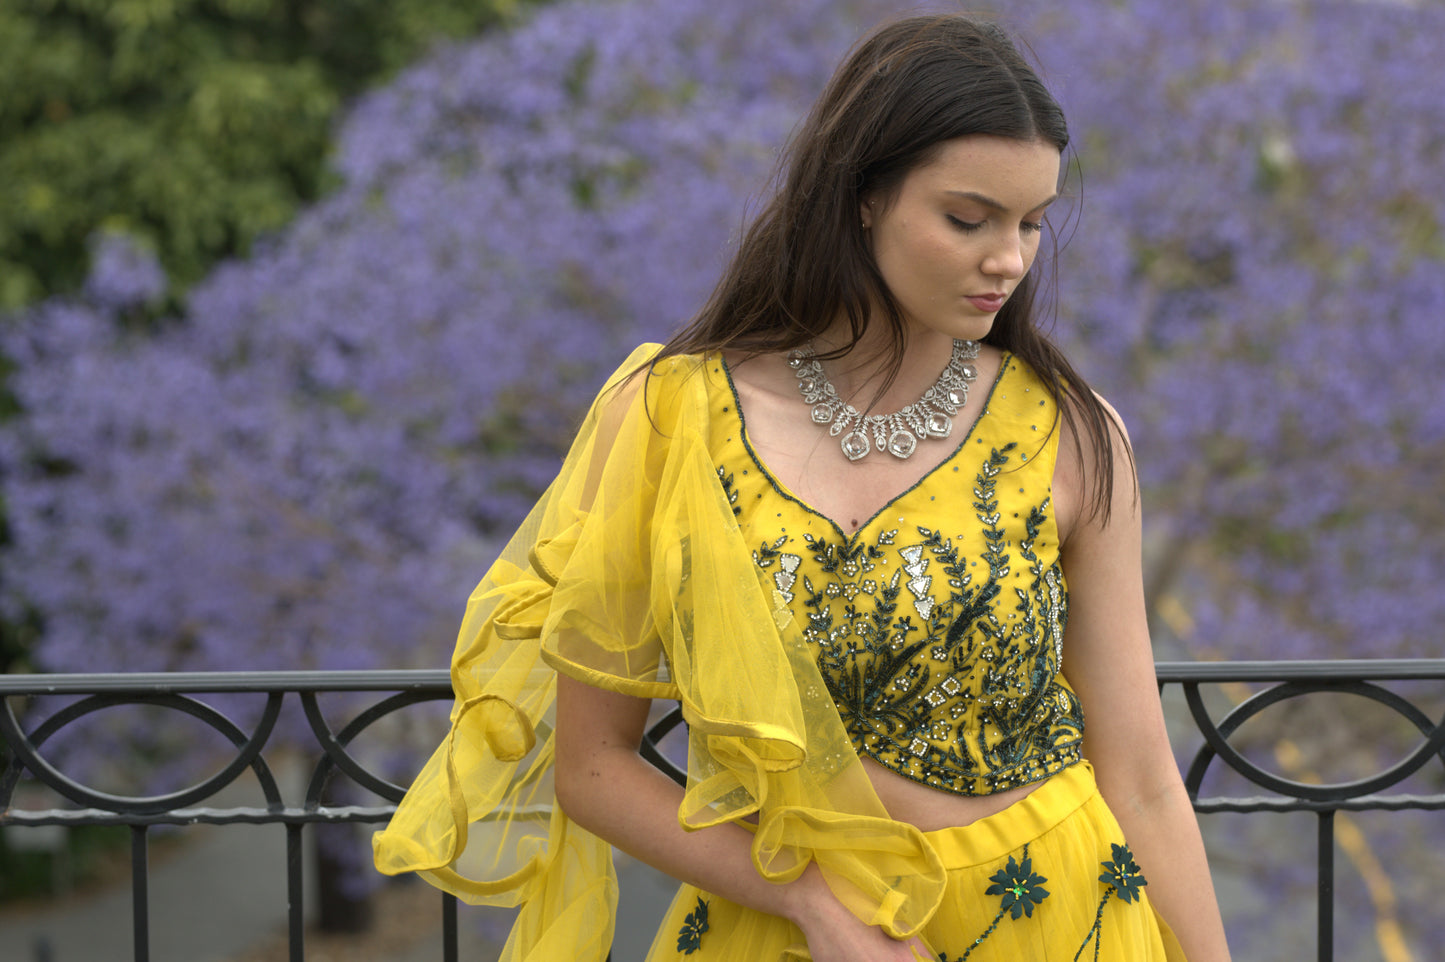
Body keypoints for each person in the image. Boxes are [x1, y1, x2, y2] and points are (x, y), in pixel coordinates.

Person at [374, 13, 1232, 962]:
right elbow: (591, 765)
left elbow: (1143, 776)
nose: (1010, 260)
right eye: (967, 218)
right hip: (785, 927)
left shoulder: (1070, 432)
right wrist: (812, 903)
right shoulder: (668, 417)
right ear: (862, 196)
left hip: (1057, 914)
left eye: (1032, 223)